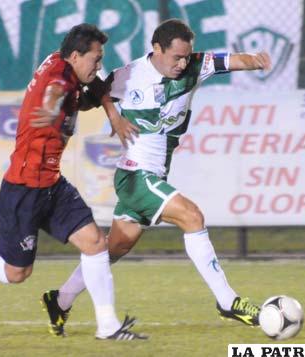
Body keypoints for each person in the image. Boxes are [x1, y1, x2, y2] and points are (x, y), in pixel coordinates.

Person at [36, 19, 272, 337]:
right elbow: (97, 91)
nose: (182, 63)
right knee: (192, 216)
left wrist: (254, 61)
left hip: (154, 174)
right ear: (157, 49)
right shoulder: (130, 75)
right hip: (136, 175)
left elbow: (231, 60)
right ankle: (228, 302)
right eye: (176, 57)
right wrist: (113, 117)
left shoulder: (195, 66)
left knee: (113, 249)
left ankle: (60, 300)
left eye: (186, 56)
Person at [0, 23, 146, 341]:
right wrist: (52, 104)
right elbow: (55, 89)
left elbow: (95, 86)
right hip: (23, 189)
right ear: (75, 55)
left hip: (52, 185)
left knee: (96, 244)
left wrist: (112, 113)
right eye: (96, 59)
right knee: (16, 273)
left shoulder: (65, 64)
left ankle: (108, 326)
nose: (99, 66)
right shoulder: (59, 79)